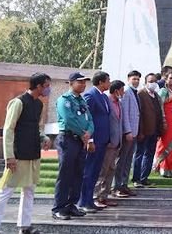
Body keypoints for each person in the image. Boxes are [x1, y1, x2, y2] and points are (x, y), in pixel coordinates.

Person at [0, 73, 52, 234]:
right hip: (18, 154)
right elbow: (8, 129)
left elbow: (35, 127)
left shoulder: (39, 105)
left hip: (33, 154)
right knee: (6, 191)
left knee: (29, 190)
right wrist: (9, 156)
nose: (48, 89)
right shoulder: (18, 102)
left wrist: (44, 137)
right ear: (38, 86)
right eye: (47, 85)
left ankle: (24, 227)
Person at [52, 72, 93, 220]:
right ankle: (59, 207)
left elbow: (90, 120)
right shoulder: (64, 100)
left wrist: (89, 132)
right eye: (80, 82)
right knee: (65, 174)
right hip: (68, 139)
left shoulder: (82, 100)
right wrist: (83, 134)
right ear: (71, 83)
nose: (83, 85)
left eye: (84, 82)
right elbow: (69, 120)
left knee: (78, 173)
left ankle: (71, 205)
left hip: (81, 141)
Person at [79, 71, 111, 213]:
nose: (109, 83)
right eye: (107, 81)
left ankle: (90, 199)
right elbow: (87, 117)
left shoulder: (103, 96)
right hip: (94, 140)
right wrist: (89, 139)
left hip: (103, 140)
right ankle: (83, 201)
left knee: (95, 171)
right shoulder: (90, 95)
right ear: (100, 82)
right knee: (89, 171)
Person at [94, 80, 125, 208]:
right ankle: (95, 197)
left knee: (111, 170)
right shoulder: (106, 102)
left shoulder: (119, 103)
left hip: (117, 142)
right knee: (102, 171)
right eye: (122, 90)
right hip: (108, 143)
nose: (123, 92)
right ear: (116, 90)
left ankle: (104, 196)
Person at [132, 73, 164, 188]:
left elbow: (159, 113)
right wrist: (140, 131)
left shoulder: (156, 95)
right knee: (140, 154)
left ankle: (144, 178)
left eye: (155, 81)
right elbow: (139, 114)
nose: (153, 83)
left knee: (149, 154)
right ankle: (136, 179)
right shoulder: (141, 94)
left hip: (154, 130)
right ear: (145, 82)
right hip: (143, 131)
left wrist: (160, 130)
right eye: (151, 81)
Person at [113, 70, 141, 198]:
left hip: (134, 132)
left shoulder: (135, 93)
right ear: (129, 79)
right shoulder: (126, 93)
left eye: (138, 79)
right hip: (127, 133)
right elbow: (124, 114)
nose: (136, 81)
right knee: (121, 160)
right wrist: (127, 131)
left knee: (128, 160)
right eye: (134, 79)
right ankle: (117, 186)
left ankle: (124, 184)